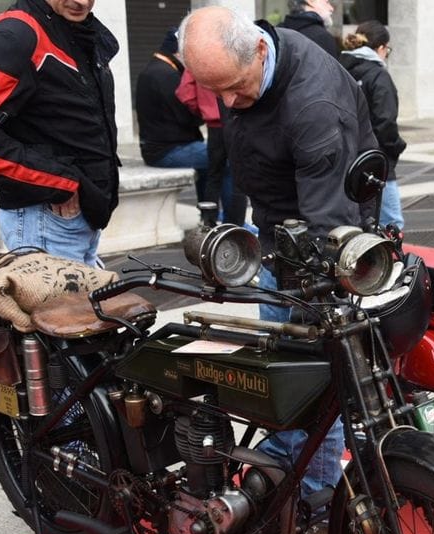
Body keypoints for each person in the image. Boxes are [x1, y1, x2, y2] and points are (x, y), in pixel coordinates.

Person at [178, 6, 377, 499]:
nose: (226, 101)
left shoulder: (313, 105)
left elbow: (328, 223)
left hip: (323, 231)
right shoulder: (243, 64)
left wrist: (300, 291)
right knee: (279, 359)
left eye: (234, 86)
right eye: (214, 88)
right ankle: (290, 453)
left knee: (310, 367)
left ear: (260, 52)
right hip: (275, 225)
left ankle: (314, 491)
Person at [0, 0, 119, 267]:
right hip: (46, 220)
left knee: (92, 308)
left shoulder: (76, 30)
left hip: (81, 218)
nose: (82, 1)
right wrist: (60, 182)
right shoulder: (17, 35)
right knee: (65, 309)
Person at [340, 21, 407, 230]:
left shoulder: (341, 68)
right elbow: (385, 122)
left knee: (359, 220)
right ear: (381, 48)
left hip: (346, 158)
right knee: (391, 224)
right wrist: (396, 147)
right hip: (376, 160)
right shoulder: (378, 75)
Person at [135, 29, 209, 207]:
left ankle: (209, 212)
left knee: (213, 157)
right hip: (167, 151)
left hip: (159, 147)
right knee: (225, 159)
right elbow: (187, 118)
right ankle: (225, 217)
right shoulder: (168, 75)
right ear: (180, 52)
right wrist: (207, 113)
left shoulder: (154, 69)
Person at [175, 68, 248, 226]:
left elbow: (185, 92)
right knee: (239, 174)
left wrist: (202, 109)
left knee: (214, 174)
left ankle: (209, 222)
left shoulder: (196, 58)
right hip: (237, 118)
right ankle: (235, 225)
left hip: (214, 124)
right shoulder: (232, 50)